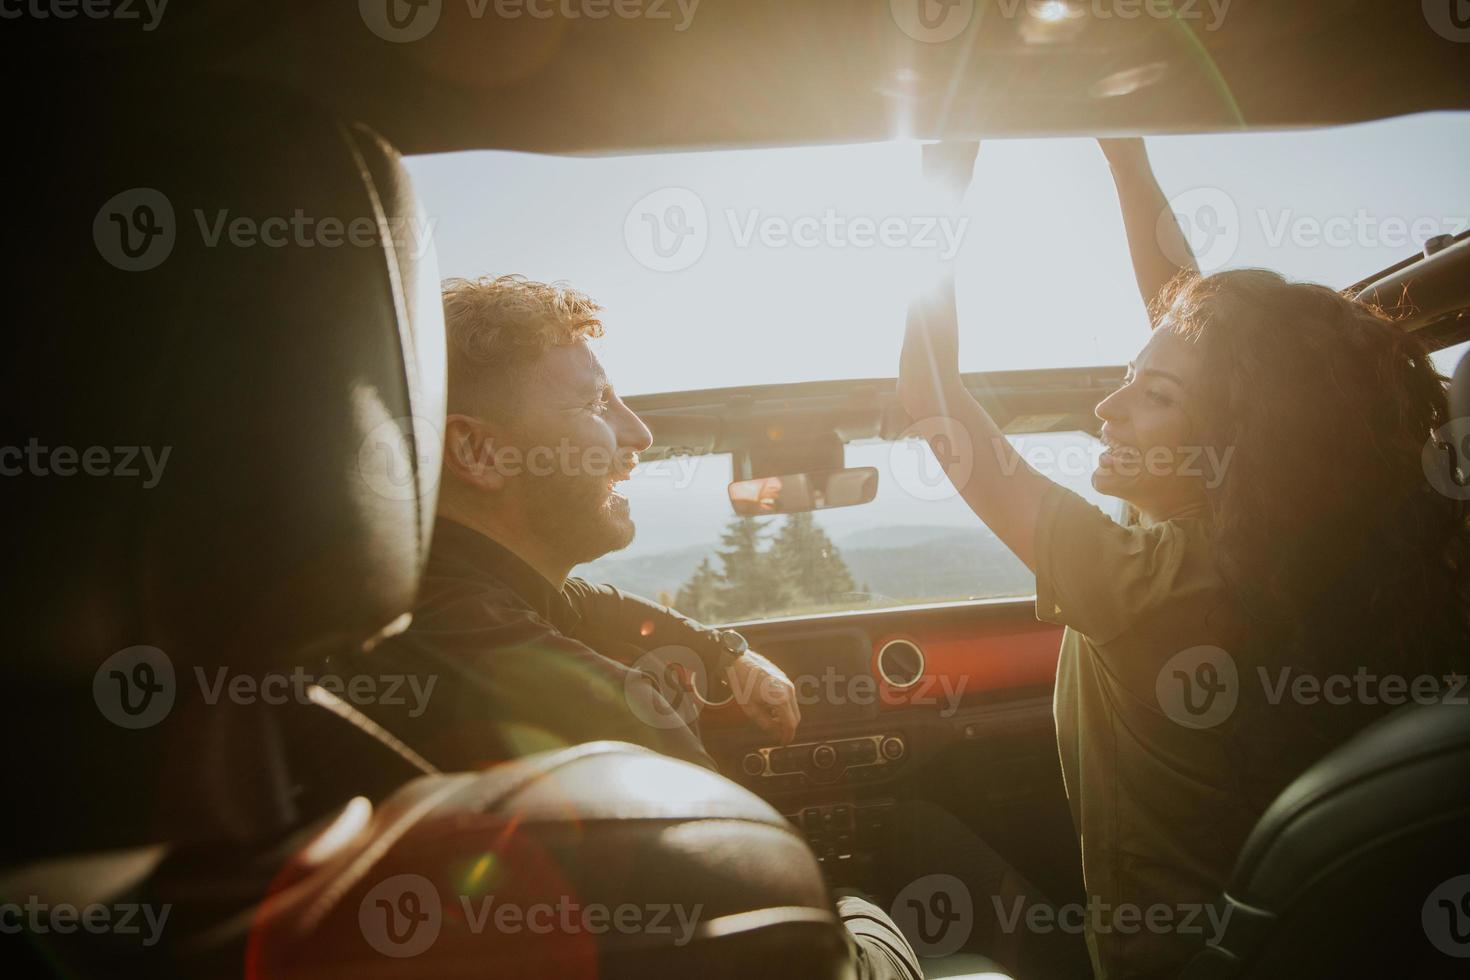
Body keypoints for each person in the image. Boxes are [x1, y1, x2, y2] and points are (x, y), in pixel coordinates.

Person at [899, 139, 1470, 978]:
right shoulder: (1278, 546)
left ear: (1237, 441)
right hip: (1289, 944)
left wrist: (942, 168)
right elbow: (1185, 315)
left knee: (903, 831)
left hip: (1156, 964)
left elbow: (931, 392)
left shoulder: (1147, 584)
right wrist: (1124, 155)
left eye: (1152, 396)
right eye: (1130, 375)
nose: (1108, 405)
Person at [349, 273, 923, 979]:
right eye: (596, 403)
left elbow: (590, 603)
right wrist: (849, 907)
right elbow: (785, 932)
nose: (639, 433)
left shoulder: (433, 597)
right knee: (866, 902)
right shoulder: (604, 716)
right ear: (479, 453)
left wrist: (725, 655)